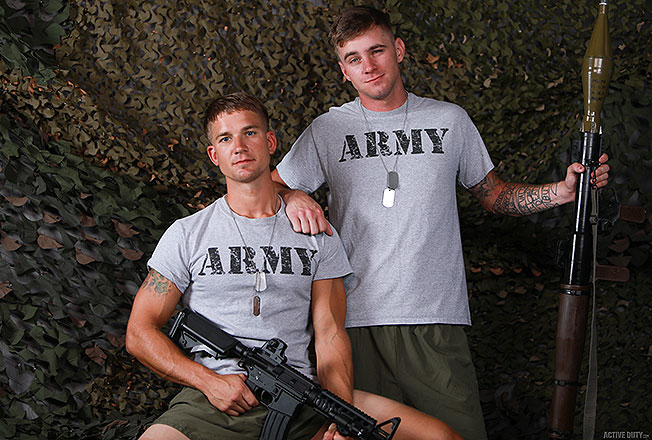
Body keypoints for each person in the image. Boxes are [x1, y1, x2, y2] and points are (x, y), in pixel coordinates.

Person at [270, 6, 610, 440]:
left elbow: (495, 195)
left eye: (376, 51)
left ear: (398, 49)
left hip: (436, 319)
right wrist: (293, 193)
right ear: (344, 71)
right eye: (354, 58)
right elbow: (268, 187)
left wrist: (561, 191)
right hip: (354, 322)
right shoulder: (327, 130)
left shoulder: (450, 121)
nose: (368, 65)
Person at [126, 92, 461, 440]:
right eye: (225, 139)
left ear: (270, 142)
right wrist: (208, 381)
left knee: (439, 436)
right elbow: (139, 332)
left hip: (301, 398)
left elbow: (330, 335)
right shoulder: (187, 234)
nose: (239, 147)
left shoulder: (316, 234)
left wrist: (339, 420)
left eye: (250, 132)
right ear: (214, 155)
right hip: (212, 403)